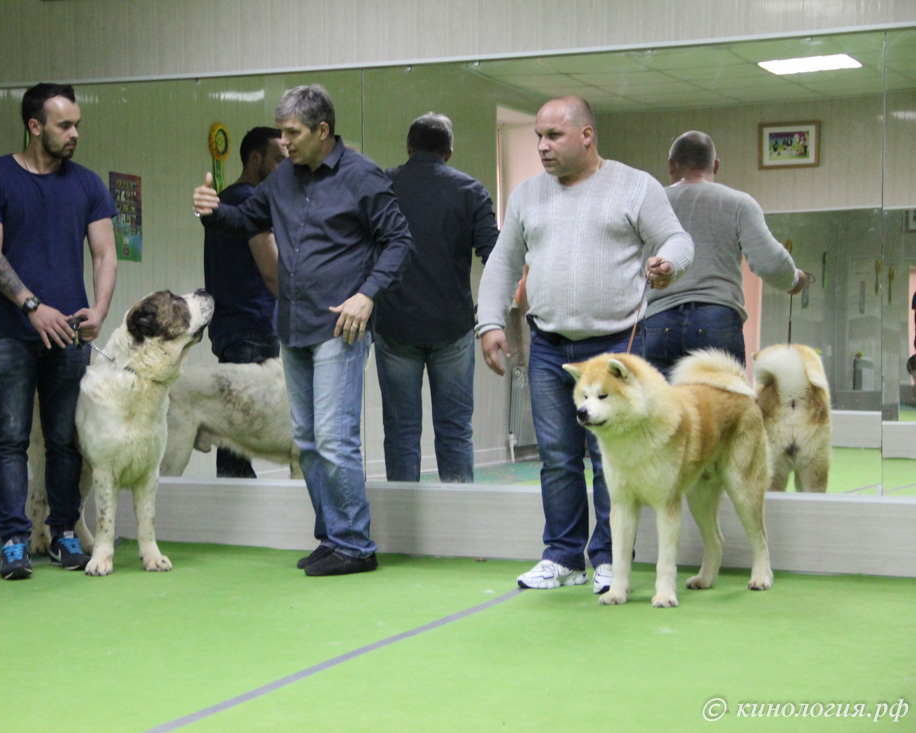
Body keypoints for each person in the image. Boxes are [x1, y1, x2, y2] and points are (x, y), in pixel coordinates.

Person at [193, 84, 414, 576]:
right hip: (293, 324)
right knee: (308, 441)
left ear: (322, 131)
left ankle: (356, 545)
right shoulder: (282, 180)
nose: (285, 142)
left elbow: (399, 240)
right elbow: (245, 218)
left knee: (335, 439)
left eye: (293, 133)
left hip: (341, 326)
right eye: (282, 133)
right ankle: (332, 537)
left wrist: (368, 293)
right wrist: (211, 211)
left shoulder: (362, 176)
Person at [477, 95, 693, 593]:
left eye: (553, 136)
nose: (542, 147)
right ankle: (562, 555)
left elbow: (678, 241)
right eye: (537, 137)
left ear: (586, 135)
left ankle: (609, 560)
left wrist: (668, 264)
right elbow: (503, 264)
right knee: (556, 455)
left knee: (610, 459)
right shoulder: (528, 195)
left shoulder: (635, 186)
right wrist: (489, 322)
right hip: (550, 345)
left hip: (617, 347)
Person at [0, 83, 118, 580]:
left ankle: (62, 533)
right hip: (9, 333)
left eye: (77, 125)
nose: (74, 134)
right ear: (35, 126)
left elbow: (104, 253)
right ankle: (14, 540)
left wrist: (97, 309)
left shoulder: (89, 184)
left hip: (71, 335)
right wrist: (33, 307)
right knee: (9, 437)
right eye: (64, 125)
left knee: (64, 439)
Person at [373, 113, 498, 483]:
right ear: (449, 152)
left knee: (400, 431)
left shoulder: (383, 185)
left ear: (409, 148)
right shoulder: (471, 191)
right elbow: (494, 255)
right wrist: (487, 312)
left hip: (395, 324)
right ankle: (457, 521)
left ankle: (404, 523)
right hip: (453, 325)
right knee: (456, 428)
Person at [643, 130, 809, 374]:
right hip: (716, 321)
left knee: (666, 411)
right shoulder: (738, 203)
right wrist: (794, 280)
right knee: (724, 409)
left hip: (659, 323)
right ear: (716, 165)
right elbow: (770, 263)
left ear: (671, 165)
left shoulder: (651, 204)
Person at [204, 126, 286, 478]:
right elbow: (272, 271)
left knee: (231, 432)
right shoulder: (252, 202)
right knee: (239, 434)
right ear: (256, 159)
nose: (286, 168)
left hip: (230, 328)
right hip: (253, 327)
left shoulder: (224, 201)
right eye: (279, 160)